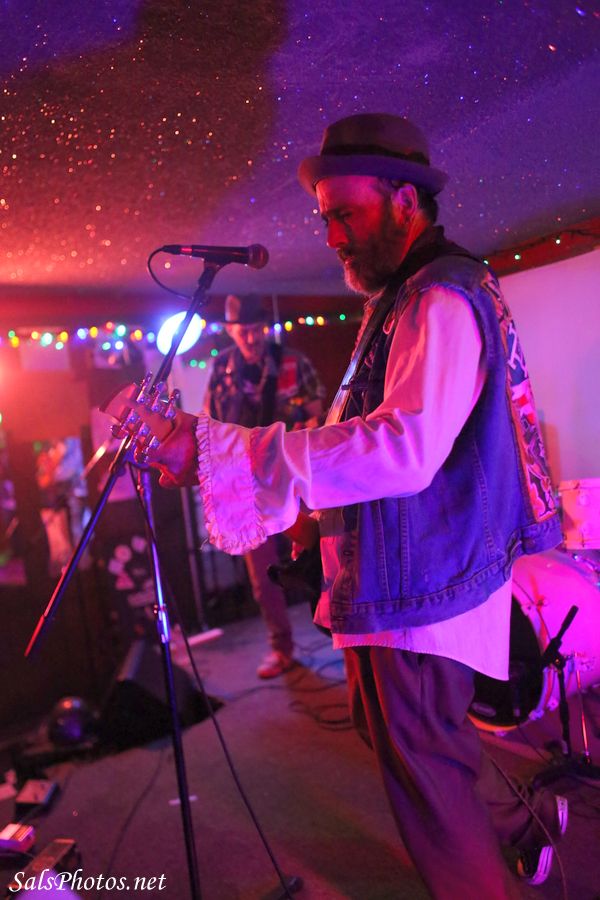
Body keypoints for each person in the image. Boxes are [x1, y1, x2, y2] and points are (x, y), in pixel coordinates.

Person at [130, 113, 567, 898]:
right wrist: (303, 509)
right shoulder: (405, 296)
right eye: (325, 218)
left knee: (427, 782)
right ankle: (523, 822)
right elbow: (363, 429)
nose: (331, 236)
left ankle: (506, 840)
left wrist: (229, 451)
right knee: (411, 741)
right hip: (408, 576)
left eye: (345, 214)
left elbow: (404, 447)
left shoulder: (438, 298)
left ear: (404, 200)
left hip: (422, 588)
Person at [203, 292, 326, 678]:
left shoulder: (293, 362)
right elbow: (210, 424)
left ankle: (340, 631)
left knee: (320, 557)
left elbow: (318, 416)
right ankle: (281, 647)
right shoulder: (222, 368)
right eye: (244, 331)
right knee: (262, 577)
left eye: (257, 330)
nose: (252, 338)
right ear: (230, 331)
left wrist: (301, 432)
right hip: (247, 486)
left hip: (292, 481)